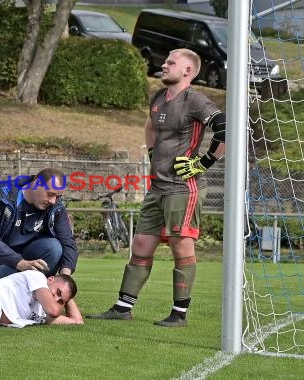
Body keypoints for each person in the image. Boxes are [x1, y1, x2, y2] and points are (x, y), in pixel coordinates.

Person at [87, 48, 226, 327]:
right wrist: (152, 155)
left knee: (181, 246)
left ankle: (179, 315)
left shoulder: (194, 100)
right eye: (165, 61)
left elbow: (225, 127)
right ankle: (123, 308)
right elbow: (150, 127)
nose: (164, 65)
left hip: (182, 188)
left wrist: (203, 162)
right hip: (157, 187)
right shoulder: (159, 97)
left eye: (170, 62)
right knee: (140, 244)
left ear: (187, 70)